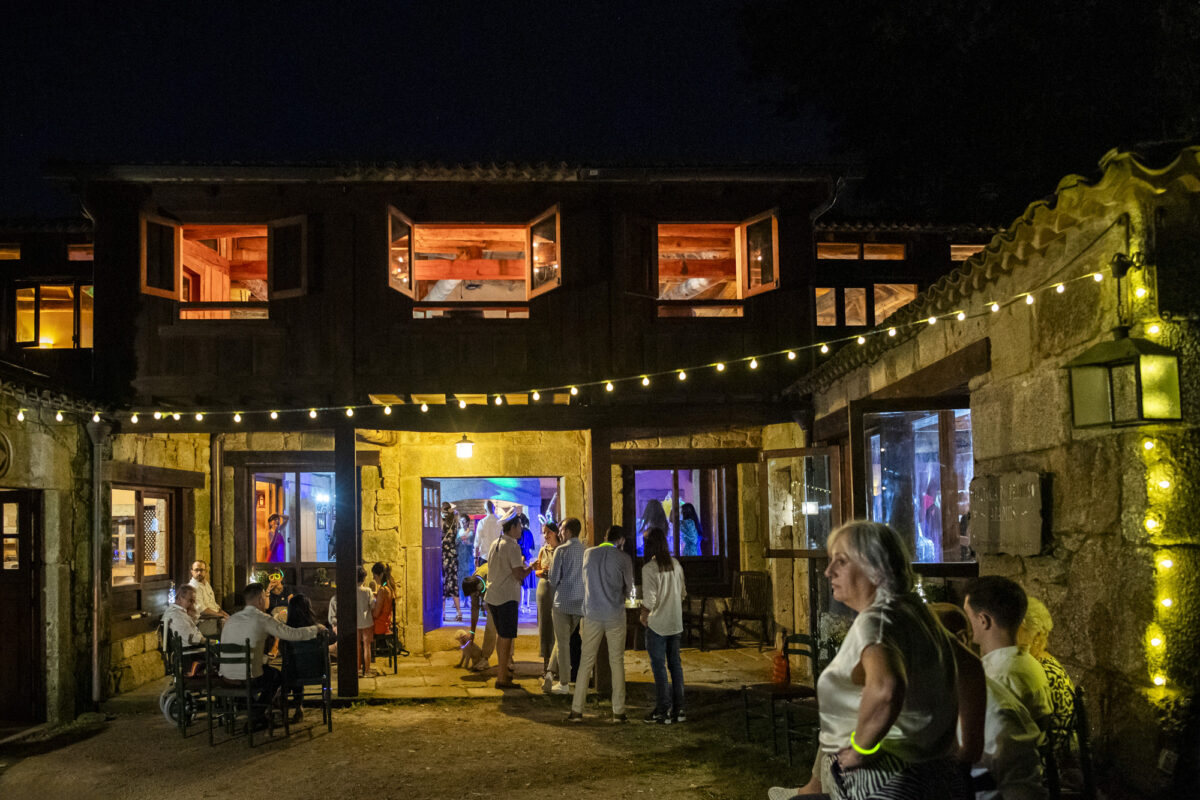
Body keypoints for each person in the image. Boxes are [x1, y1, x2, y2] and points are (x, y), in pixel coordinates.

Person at [768, 520, 984, 800]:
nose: (828, 571)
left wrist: (861, 749)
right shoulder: (914, 612)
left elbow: (886, 688)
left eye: (841, 561)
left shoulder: (876, 620)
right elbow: (971, 668)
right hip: (939, 774)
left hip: (888, 781)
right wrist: (971, 747)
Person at [930, 604, 1046, 800]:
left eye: (927, 642)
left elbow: (1020, 791)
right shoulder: (939, 698)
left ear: (961, 641)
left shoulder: (996, 713)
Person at [221, 582, 320, 730]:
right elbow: (291, 633)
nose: (268, 599)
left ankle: (255, 710)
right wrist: (315, 629)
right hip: (249, 677)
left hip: (227, 676)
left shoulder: (231, 619)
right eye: (266, 597)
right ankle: (257, 713)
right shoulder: (262, 618)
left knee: (265, 670)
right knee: (276, 676)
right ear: (261, 599)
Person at [965, 576, 1054, 732]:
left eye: (967, 615)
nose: (965, 622)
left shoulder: (998, 677)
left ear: (983, 620)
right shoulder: (1029, 663)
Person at [568, 525, 635, 723]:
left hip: (592, 613)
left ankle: (577, 710)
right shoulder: (623, 558)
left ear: (605, 537)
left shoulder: (588, 554)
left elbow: (584, 581)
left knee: (586, 661)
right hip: (614, 613)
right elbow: (630, 587)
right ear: (620, 540)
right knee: (617, 662)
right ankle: (618, 711)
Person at [1018, 596, 1075, 758]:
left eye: (1016, 630)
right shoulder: (1041, 662)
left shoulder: (1042, 671)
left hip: (1049, 759)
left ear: (1035, 636)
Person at [640, 527, 687, 724]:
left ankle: (663, 709)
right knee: (675, 665)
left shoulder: (649, 569)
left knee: (659, 667)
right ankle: (679, 709)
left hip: (658, 624)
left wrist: (644, 613)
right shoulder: (675, 564)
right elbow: (683, 593)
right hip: (675, 622)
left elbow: (650, 600)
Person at [486, 514, 535, 688]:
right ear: (512, 527)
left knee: (501, 636)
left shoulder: (495, 543)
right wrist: (532, 567)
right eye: (519, 526)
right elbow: (518, 574)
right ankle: (502, 678)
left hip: (493, 595)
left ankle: (503, 672)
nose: (521, 529)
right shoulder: (512, 546)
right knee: (506, 638)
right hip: (507, 597)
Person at [283, 593, 334, 724]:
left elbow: (283, 654)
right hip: (318, 671)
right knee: (304, 662)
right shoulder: (319, 631)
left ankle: (297, 705)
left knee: (292, 664)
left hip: (295, 674)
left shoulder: (287, 633)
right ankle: (326, 692)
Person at [548, 517, 585, 695]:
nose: (560, 533)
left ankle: (563, 682)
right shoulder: (585, 550)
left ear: (568, 532)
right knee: (565, 639)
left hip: (562, 602)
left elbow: (553, 579)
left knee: (562, 643)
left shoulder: (561, 550)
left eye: (562, 530)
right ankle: (550, 672)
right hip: (579, 602)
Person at [534, 521, 560, 687]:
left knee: (557, 626)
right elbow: (537, 570)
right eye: (544, 532)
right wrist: (542, 572)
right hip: (544, 589)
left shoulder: (561, 550)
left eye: (548, 532)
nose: (545, 535)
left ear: (556, 532)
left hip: (557, 590)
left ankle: (556, 665)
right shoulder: (543, 550)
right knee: (544, 626)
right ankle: (546, 663)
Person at [162, 585, 207, 672]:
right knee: (218, 651)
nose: (192, 604)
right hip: (189, 655)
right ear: (180, 598)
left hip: (188, 651)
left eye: (194, 601)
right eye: (190, 600)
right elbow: (193, 639)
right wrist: (211, 641)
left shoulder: (177, 612)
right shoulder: (177, 615)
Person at [462, 568, 499, 671]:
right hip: (492, 597)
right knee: (490, 627)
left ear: (479, 587)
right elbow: (474, 609)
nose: (474, 596)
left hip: (503, 594)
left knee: (495, 628)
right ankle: (485, 659)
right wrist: (472, 632)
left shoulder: (490, 576)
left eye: (475, 594)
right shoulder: (473, 585)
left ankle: (507, 659)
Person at [187, 559, 228, 637]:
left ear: (206, 571)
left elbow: (214, 605)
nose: (199, 573)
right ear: (192, 572)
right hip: (203, 622)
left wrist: (226, 615)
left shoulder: (206, 584)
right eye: (196, 570)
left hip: (215, 618)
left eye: (201, 570)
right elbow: (203, 611)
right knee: (232, 626)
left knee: (235, 621)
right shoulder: (192, 587)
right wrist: (220, 616)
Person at [441, 503, 462, 621]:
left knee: (443, 583)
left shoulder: (441, 523)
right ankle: (459, 613)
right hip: (453, 556)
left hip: (443, 556)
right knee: (454, 583)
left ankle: (443, 613)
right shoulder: (455, 522)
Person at [356, 566, 375, 677]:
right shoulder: (368, 591)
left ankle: (358, 669)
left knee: (357, 646)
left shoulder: (352, 591)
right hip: (367, 621)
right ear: (364, 578)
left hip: (356, 621)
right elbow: (372, 605)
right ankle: (367, 670)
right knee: (367, 646)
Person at [474, 500, 502, 567]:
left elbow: (477, 543)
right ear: (494, 508)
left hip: (484, 557)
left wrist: (476, 558)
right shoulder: (501, 522)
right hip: (498, 557)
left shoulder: (482, 522)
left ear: (485, 510)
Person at [372, 562, 395, 637]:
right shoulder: (389, 588)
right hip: (386, 624)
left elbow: (376, 614)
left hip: (379, 626)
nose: (373, 578)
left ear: (381, 575)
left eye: (374, 576)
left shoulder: (382, 590)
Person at [456, 512, 475, 606]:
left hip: (468, 559)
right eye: (461, 521)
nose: (462, 523)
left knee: (467, 579)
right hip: (459, 559)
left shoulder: (471, 533)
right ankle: (460, 599)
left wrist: (468, 543)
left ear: (467, 522)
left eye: (464, 521)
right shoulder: (457, 532)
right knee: (459, 579)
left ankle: (467, 600)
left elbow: (473, 544)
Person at [519, 515, 537, 612]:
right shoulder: (529, 532)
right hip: (529, 559)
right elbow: (532, 547)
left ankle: (521, 606)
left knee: (522, 584)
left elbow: (520, 546)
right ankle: (528, 605)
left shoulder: (520, 532)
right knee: (527, 586)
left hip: (521, 559)